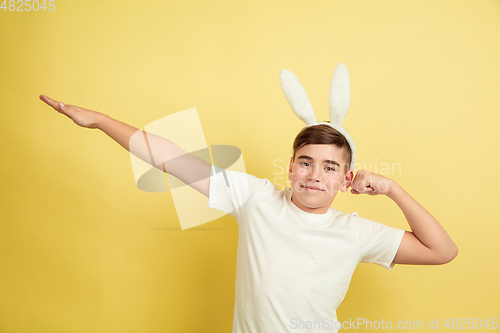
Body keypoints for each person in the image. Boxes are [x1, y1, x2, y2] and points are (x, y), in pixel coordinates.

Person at [39, 94, 458, 332]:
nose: (315, 175)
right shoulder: (254, 198)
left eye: (330, 167)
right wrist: (101, 121)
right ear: (291, 167)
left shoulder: (356, 231)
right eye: (306, 162)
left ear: (346, 179)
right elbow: (173, 158)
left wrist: (393, 189)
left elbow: (442, 251)